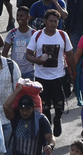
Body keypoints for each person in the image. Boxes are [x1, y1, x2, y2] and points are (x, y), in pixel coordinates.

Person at [25, 9, 74, 137]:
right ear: (45, 21)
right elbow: (28, 54)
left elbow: (69, 55)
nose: (53, 23)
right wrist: (37, 61)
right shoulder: (37, 36)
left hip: (59, 77)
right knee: (44, 106)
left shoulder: (63, 35)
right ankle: (47, 129)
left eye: (56, 21)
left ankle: (57, 119)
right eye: (51, 21)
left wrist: (73, 72)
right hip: (41, 78)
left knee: (60, 105)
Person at [2, 88, 54, 155]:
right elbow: (5, 106)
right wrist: (18, 90)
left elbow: (50, 137)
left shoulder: (41, 120)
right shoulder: (15, 117)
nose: (25, 112)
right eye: (22, 109)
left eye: (27, 109)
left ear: (33, 108)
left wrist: (50, 146)